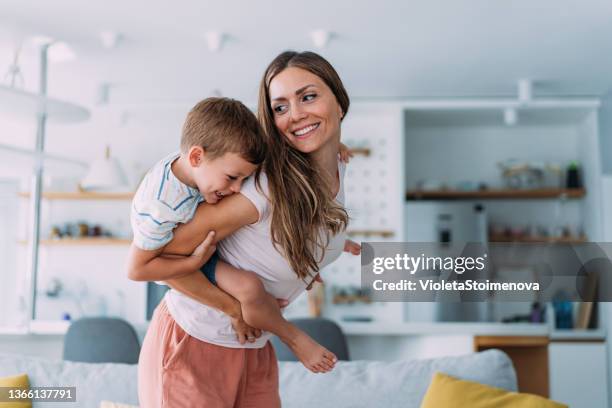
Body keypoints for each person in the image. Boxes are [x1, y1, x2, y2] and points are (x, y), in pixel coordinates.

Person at [137, 51, 360, 407]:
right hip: (195, 338)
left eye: (308, 97)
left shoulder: (336, 166)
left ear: (340, 102)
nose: (297, 114)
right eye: (280, 107)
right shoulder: (261, 188)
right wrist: (234, 308)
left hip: (253, 344)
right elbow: (161, 257)